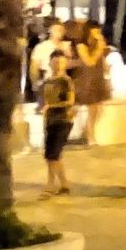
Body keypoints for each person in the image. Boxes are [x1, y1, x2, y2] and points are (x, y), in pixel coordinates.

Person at [38, 50, 76, 196]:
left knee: (53, 154)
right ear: (50, 63)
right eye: (55, 62)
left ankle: (50, 184)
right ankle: (64, 184)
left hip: (63, 120)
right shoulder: (47, 81)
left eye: (61, 62)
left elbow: (70, 101)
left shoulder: (66, 81)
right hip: (50, 120)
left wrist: (51, 106)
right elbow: (43, 100)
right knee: (52, 155)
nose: (58, 65)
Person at [71, 24, 111, 144]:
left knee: (96, 109)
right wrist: (99, 49)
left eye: (99, 30)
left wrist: (106, 67)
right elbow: (89, 61)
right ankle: (66, 132)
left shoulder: (98, 44)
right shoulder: (81, 45)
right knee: (76, 108)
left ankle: (90, 135)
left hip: (97, 78)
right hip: (85, 80)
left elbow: (101, 60)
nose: (98, 32)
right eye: (95, 30)